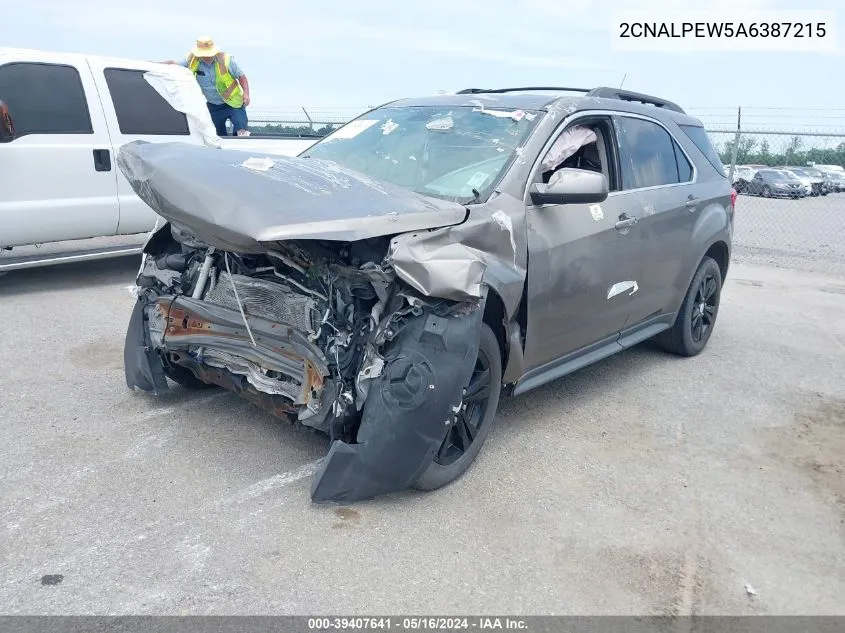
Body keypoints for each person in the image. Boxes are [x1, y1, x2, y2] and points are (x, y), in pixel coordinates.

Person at [162, 37, 251, 137]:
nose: (206, 57)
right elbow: (174, 65)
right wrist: (153, 64)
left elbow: (241, 76)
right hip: (214, 105)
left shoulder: (226, 60)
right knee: (214, 135)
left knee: (241, 132)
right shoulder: (192, 60)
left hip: (234, 103)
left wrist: (246, 94)